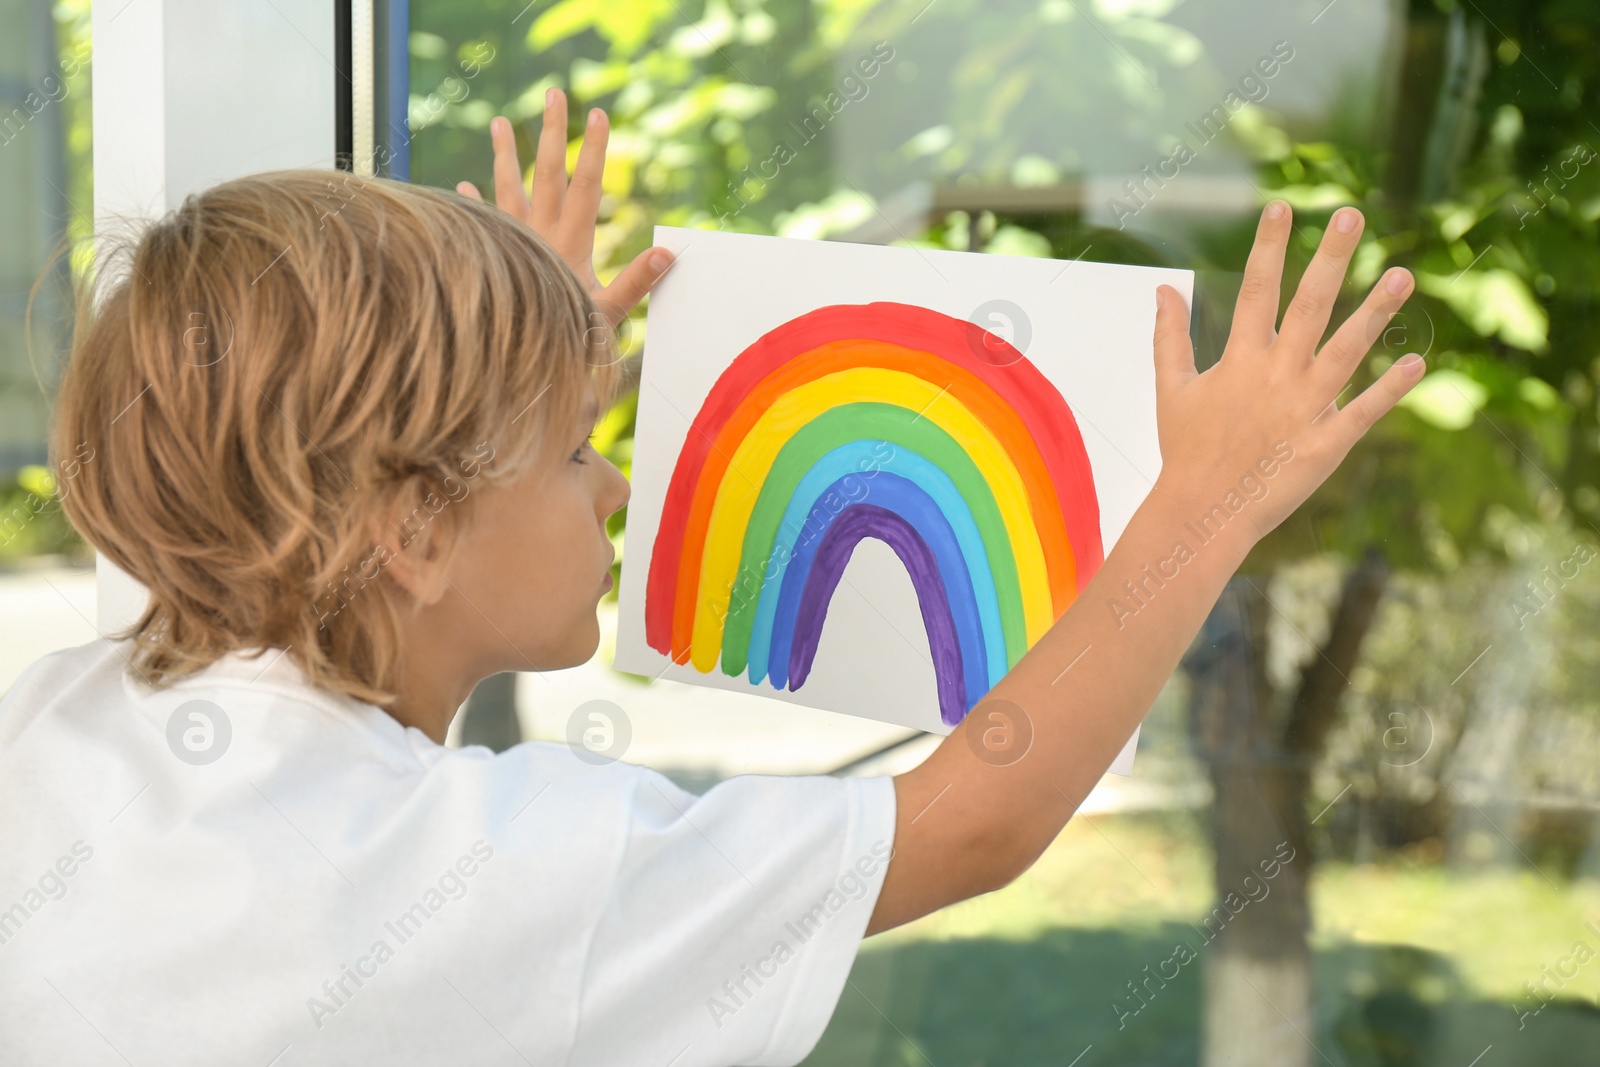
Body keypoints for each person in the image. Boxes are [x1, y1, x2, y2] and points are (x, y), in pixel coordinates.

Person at [0, 88, 1421, 1066]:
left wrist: (504, 349)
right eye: (571, 448)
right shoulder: (493, 878)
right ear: (415, 533)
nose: (619, 479)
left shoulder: (54, 727)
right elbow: (967, 824)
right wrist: (1203, 500)